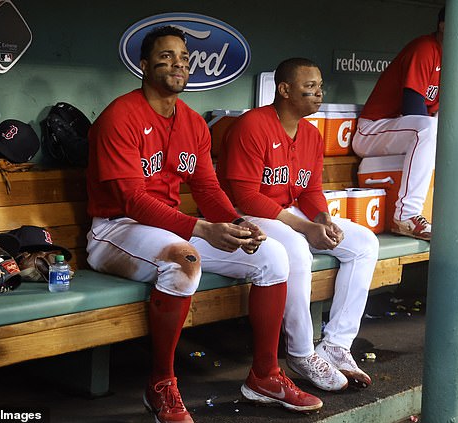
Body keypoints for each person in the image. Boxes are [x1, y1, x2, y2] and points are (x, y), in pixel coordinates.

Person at [85, 27, 323, 423]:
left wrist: (236, 222)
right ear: (143, 65)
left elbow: (209, 189)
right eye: (165, 57)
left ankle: (264, 375)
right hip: (115, 229)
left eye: (183, 57)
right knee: (185, 260)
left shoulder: (193, 123)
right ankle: (161, 383)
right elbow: (131, 200)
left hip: (170, 226)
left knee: (272, 255)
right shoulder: (120, 117)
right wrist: (198, 228)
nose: (177, 64)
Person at [216, 58, 379, 392]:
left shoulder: (310, 134)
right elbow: (245, 196)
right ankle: (301, 352)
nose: (319, 94)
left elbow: (311, 189)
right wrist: (305, 229)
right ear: (284, 89)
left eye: (320, 87)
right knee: (296, 249)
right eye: (310, 87)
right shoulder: (252, 125)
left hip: (288, 213)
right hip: (245, 214)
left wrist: (322, 218)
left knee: (363, 243)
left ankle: (336, 344)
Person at [351, 7, 458, 241]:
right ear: (443, 26)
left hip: (414, 131)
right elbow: (412, 106)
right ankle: (407, 215)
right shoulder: (426, 48)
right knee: (428, 127)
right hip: (374, 129)